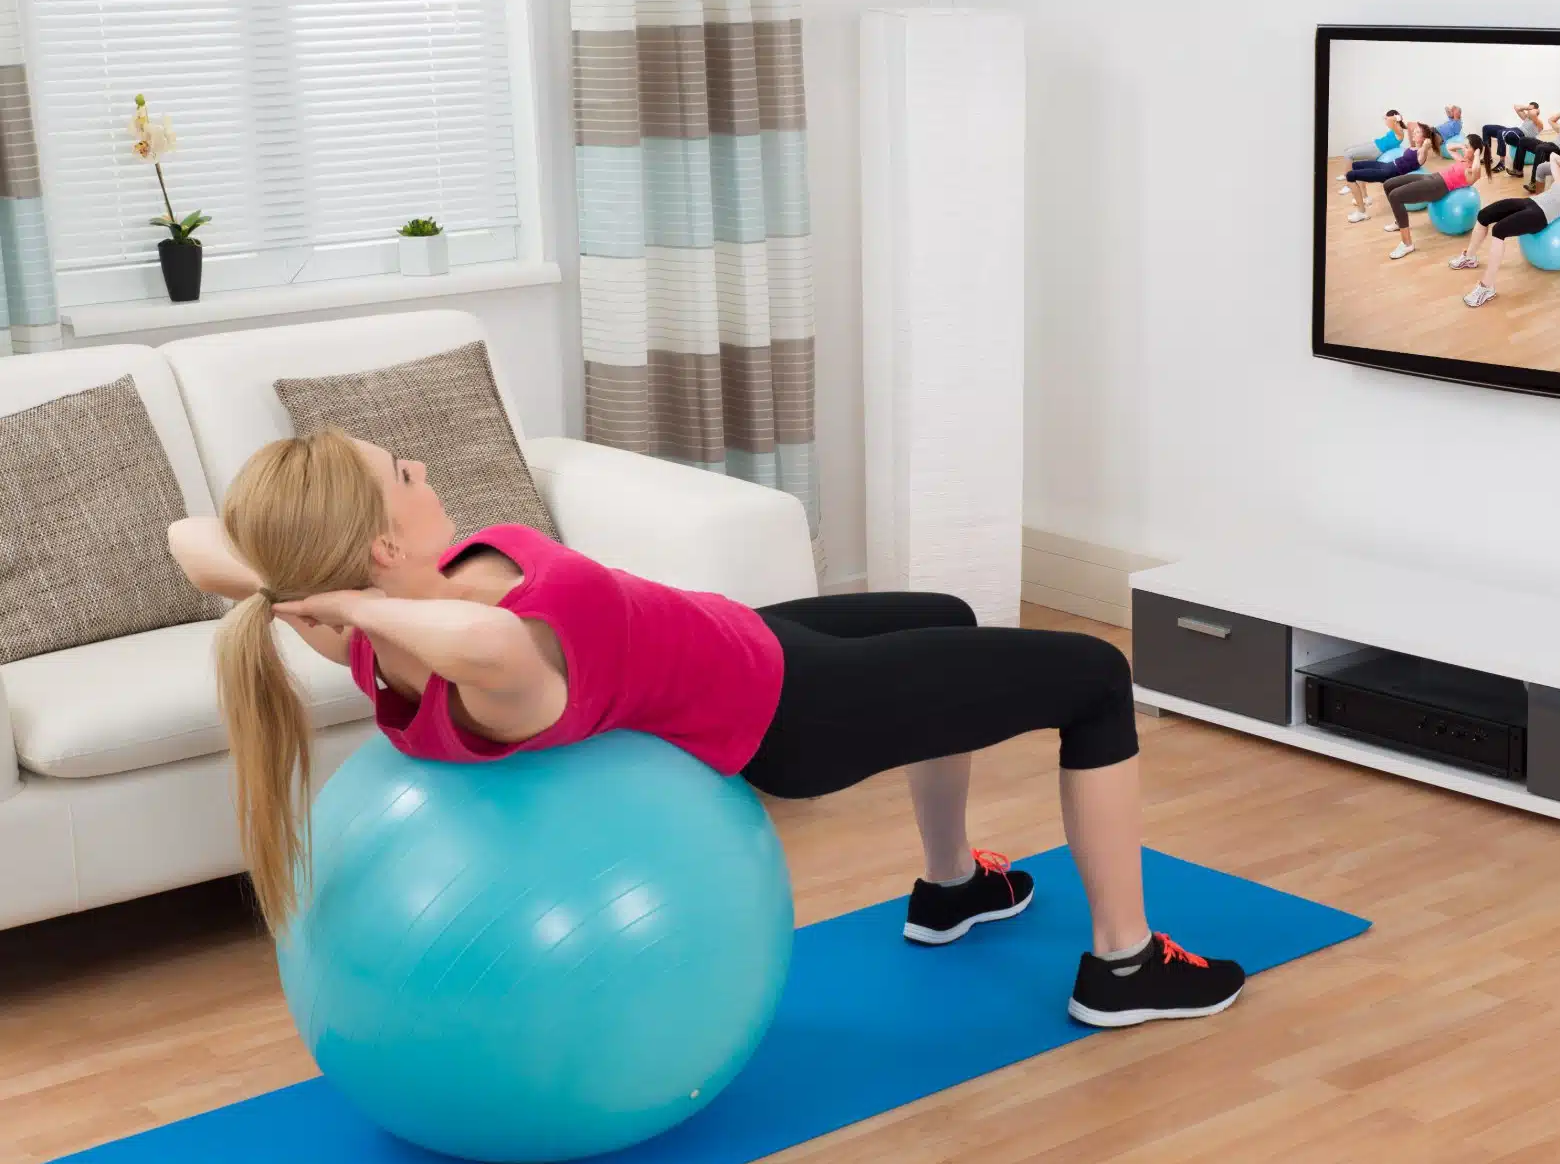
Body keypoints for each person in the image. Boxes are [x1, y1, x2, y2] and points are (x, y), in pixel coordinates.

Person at [171, 432, 1247, 1029]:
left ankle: (953, 885)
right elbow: (454, 627)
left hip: (751, 649)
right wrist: (350, 600)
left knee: (949, 622)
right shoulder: (490, 662)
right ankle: (1123, 963)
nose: (421, 468)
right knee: (1098, 674)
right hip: (793, 710)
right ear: (378, 556)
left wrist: (319, 593)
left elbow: (192, 542)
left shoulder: (365, 641)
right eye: (398, 476)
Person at [1449, 153, 1560, 307]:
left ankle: (1487, 286)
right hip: (1530, 202)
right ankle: (1469, 257)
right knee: (1484, 214)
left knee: (1499, 230)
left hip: (1540, 216)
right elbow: (1553, 156)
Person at [1381, 131, 1486, 260]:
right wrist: (1462, 146)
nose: (1464, 148)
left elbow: (1477, 169)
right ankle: (1399, 221)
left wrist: (1477, 155)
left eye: (1468, 146)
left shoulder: (1472, 170)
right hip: (1432, 177)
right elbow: (1449, 147)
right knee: (1388, 184)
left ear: (1475, 151)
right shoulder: (1463, 160)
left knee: (1395, 196)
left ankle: (1407, 244)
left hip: (1437, 187)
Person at [1341, 121, 1441, 223]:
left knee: (1350, 176)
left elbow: (1423, 152)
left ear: (1424, 139)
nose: (1415, 132)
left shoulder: (1421, 153)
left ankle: (1362, 212)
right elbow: (1411, 128)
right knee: (1354, 166)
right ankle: (1365, 197)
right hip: (1387, 165)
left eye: (1418, 132)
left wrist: (1426, 145)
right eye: (1416, 131)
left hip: (1388, 173)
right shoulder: (1413, 147)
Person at [1512, 108, 1560, 192]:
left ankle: (1534, 184)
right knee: (1523, 140)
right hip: (1549, 145)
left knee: (1541, 148)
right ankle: (1518, 170)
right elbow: (1551, 120)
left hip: (1558, 152)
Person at [1339, 110, 1405, 195]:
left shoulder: (1399, 131)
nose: (1386, 121)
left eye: (1388, 120)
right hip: (1375, 143)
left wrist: (1396, 117)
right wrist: (1391, 117)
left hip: (1377, 150)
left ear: (1395, 120)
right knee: (1347, 150)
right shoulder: (1394, 128)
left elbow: (1392, 121)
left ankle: (1349, 184)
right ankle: (1346, 175)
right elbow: (1387, 119)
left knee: (1349, 154)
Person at [1480, 102, 1543, 173]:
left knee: (1502, 133)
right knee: (1486, 128)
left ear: (1536, 111)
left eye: (1530, 109)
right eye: (1528, 109)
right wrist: (1528, 108)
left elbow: (1533, 114)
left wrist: (1535, 110)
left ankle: (1502, 163)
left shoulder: (1538, 123)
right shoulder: (1526, 118)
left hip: (1521, 137)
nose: (1528, 111)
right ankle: (1488, 157)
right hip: (1514, 131)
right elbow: (1516, 107)